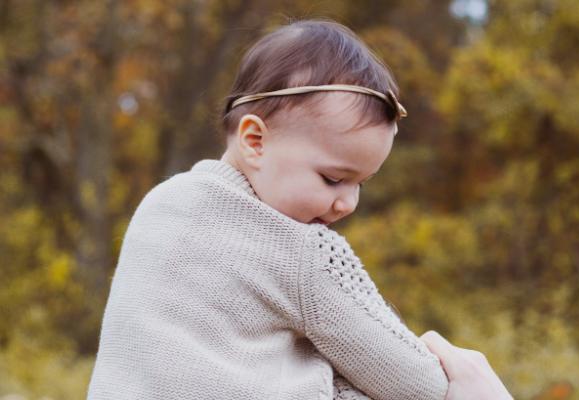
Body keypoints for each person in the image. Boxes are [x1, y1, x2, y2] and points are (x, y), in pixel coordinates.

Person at [87, 19, 511, 400]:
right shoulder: (299, 249)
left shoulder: (159, 205)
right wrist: (458, 373)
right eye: (333, 178)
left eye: (360, 183)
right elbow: (412, 382)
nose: (347, 204)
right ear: (255, 141)